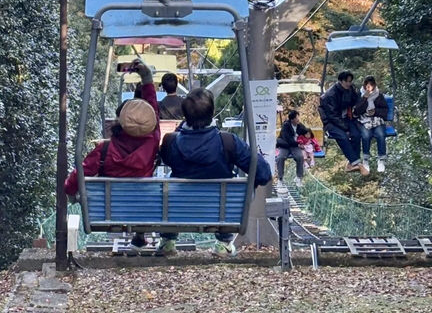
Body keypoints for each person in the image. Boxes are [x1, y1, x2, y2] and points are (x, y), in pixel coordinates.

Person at [158, 88, 272, 256]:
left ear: (185, 115)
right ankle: (223, 242)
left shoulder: (170, 141)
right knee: (232, 188)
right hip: (221, 208)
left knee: (168, 181)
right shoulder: (228, 142)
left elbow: (166, 159)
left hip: (180, 207)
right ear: (212, 113)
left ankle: (168, 240)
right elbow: (263, 173)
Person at [64, 60, 160, 251]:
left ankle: (136, 234)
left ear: (120, 121)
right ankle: (139, 233)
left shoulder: (104, 151)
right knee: (143, 194)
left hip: (111, 210)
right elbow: (153, 112)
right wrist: (147, 79)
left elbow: (80, 174)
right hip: (143, 207)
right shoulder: (152, 141)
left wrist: (69, 190)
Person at [319, 70, 369, 176]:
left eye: (350, 81)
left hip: (346, 118)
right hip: (331, 121)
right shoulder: (330, 95)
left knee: (356, 134)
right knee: (343, 137)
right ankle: (357, 163)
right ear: (341, 81)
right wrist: (345, 128)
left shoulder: (350, 89)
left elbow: (356, 101)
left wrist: (364, 98)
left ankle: (352, 163)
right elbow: (332, 115)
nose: (349, 84)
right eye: (347, 81)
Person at [354, 75, 388, 173]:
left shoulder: (379, 96)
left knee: (381, 134)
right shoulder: (359, 95)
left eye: (371, 85)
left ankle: (381, 159)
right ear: (364, 86)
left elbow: (385, 110)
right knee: (366, 135)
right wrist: (365, 98)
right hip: (363, 120)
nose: (369, 88)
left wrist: (375, 111)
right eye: (367, 86)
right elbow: (356, 111)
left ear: (374, 85)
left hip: (376, 119)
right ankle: (365, 159)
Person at [276, 109, 305, 187]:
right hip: (285, 145)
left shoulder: (299, 125)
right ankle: (280, 179)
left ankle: (299, 177)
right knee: (280, 158)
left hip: (295, 146)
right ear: (292, 119)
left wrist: (305, 141)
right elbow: (288, 139)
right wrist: (298, 144)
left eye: (298, 117)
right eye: (296, 118)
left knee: (300, 157)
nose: (298, 119)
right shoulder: (286, 126)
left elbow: (306, 132)